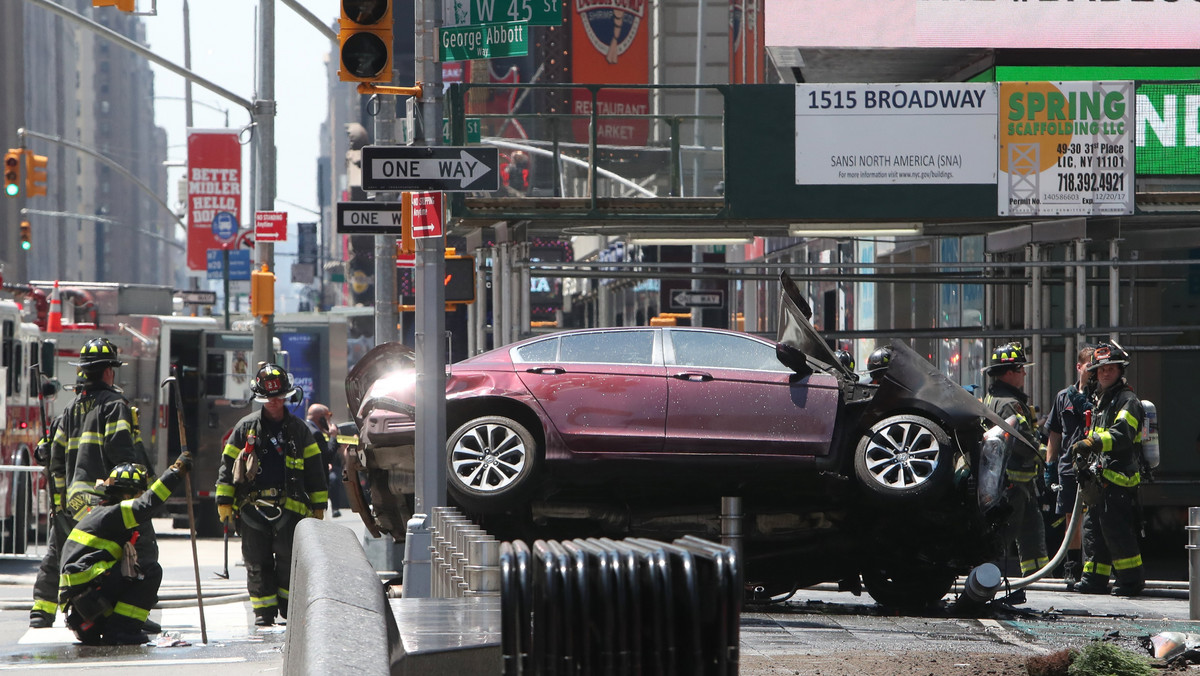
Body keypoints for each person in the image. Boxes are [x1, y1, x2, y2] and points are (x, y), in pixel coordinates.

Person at [32, 338, 157, 631]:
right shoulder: (114, 406)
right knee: (145, 550)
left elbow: (53, 459)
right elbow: (123, 455)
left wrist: (60, 503)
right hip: (105, 501)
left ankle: (41, 610)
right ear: (108, 372)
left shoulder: (68, 410)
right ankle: (132, 613)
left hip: (73, 501)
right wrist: (133, 495)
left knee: (60, 550)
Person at [216, 363, 328, 626]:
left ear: (286, 396)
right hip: (251, 509)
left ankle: (289, 611)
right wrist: (224, 501)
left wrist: (319, 505)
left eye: (278, 397)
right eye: (269, 398)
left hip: (290, 510)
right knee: (256, 562)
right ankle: (263, 614)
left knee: (290, 563)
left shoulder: (300, 431)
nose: (274, 402)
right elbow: (227, 466)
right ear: (261, 398)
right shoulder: (245, 428)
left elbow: (315, 470)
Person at [59, 458, 189, 645]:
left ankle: (99, 623)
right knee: (149, 572)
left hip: (82, 598)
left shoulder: (103, 511)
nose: (142, 495)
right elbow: (147, 504)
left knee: (133, 570)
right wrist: (175, 474)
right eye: (139, 493)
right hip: (88, 592)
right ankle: (122, 630)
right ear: (127, 495)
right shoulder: (114, 513)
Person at [1071, 342, 1146, 597]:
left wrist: (1092, 442)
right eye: (1101, 369)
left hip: (1119, 479)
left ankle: (1130, 581)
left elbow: (1123, 434)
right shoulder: (1101, 400)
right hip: (1099, 478)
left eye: (1111, 368)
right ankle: (1094, 579)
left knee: (1117, 532)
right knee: (1094, 531)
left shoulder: (1128, 400)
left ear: (1119, 370)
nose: (1105, 373)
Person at [982, 341, 1048, 577]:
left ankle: (1038, 579)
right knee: (1005, 535)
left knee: (1031, 533)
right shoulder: (1010, 404)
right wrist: (1043, 450)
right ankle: (986, 577)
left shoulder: (992, 398)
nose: (1025, 373)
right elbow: (1021, 443)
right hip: (1012, 482)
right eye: (1021, 369)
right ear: (1009, 373)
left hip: (1017, 482)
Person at [1043, 345, 1095, 587]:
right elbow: (1054, 433)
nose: (1093, 372)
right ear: (1079, 367)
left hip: (1095, 465)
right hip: (1068, 466)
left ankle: (1094, 566)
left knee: (1095, 517)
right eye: (1089, 367)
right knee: (1070, 518)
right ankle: (1072, 567)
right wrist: (1049, 465)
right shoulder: (1063, 396)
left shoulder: (1101, 396)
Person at [306, 403, 347, 517]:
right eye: (328, 415)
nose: (330, 419)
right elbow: (328, 454)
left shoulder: (304, 427)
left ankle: (335, 508)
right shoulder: (316, 433)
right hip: (314, 485)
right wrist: (333, 436)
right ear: (321, 417)